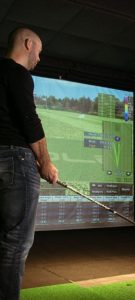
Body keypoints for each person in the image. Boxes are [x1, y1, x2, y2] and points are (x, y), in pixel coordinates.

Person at [0, 28, 59, 300]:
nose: (39, 58)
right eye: (39, 51)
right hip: (15, 160)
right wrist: (45, 162)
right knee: (15, 244)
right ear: (28, 44)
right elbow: (28, 118)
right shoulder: (17, 72)